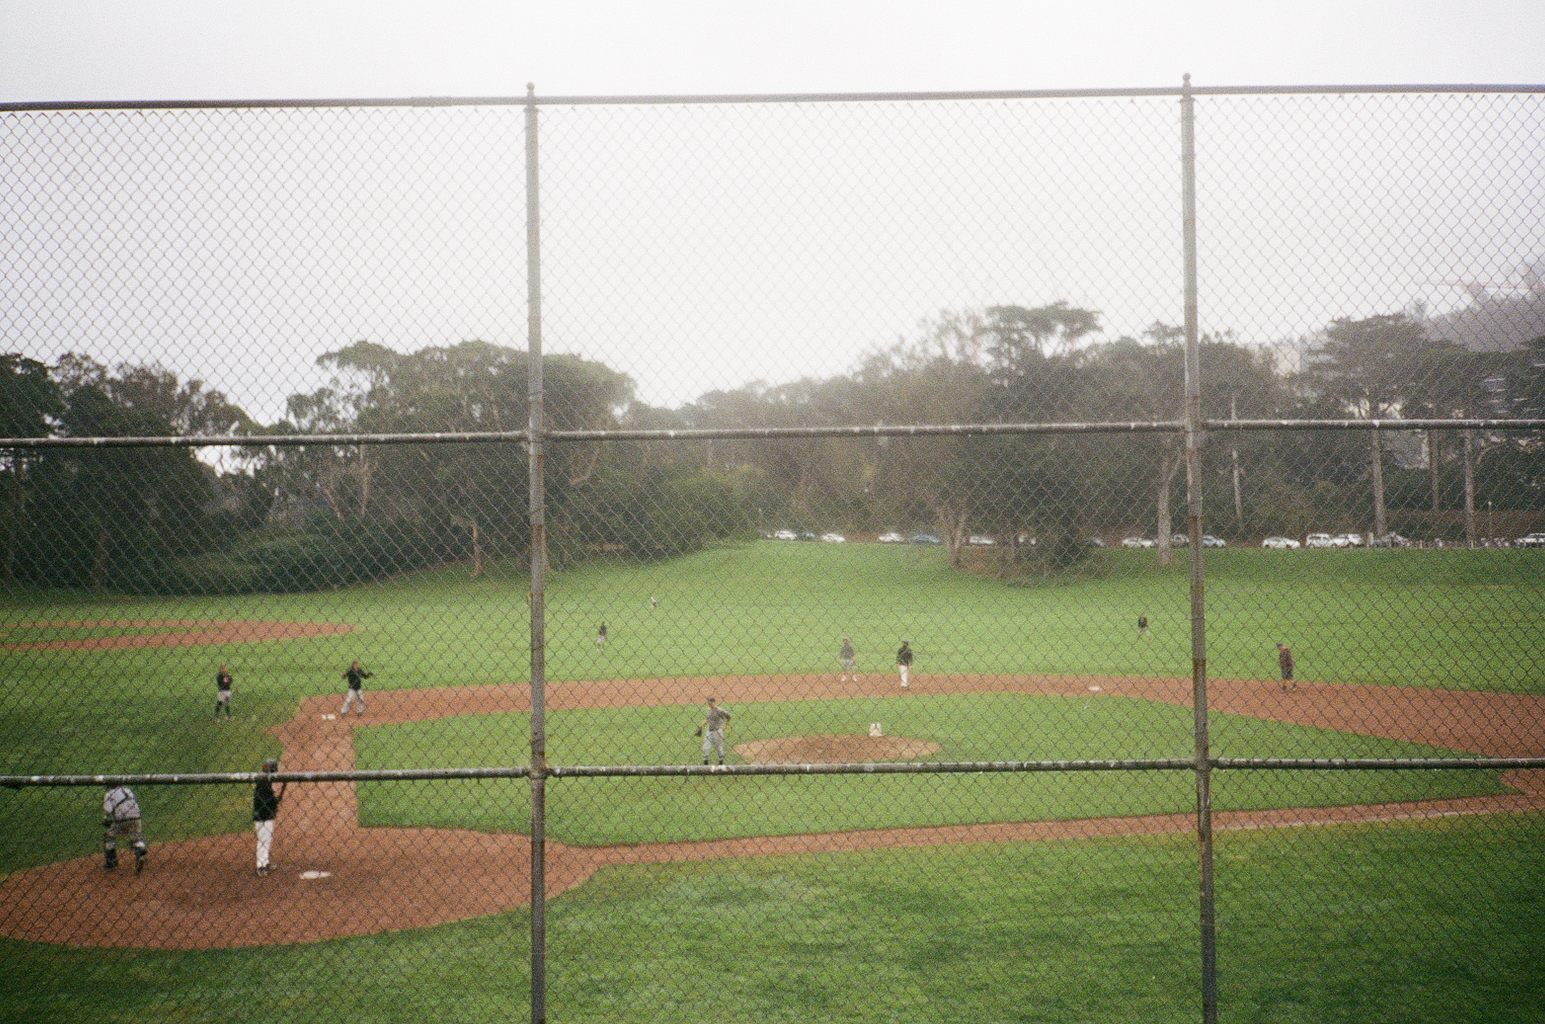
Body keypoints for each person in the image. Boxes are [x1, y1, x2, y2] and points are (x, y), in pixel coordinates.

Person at [102, 784, 148, 874]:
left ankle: (111, 862)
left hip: (122, 818)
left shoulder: (109, 794)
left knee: (109, 836)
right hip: (136, 817)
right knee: (136, 837)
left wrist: (106, 819)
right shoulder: (127, 790)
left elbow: (107, 811)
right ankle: (140, 852)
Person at [252, 757, 285, 877]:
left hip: (264, 815)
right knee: (263, 840)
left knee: (267, 839)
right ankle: (260, 866)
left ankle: (265, 862)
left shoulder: (264, 781)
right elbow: (265, 800)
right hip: (263, 816)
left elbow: (266, 799)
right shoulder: (264, 782)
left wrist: (274, 801)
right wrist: (275, 801)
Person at [696, 697, 732, 765]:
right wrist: (701, 726)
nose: (710, 704)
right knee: (705, 748)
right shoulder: (708, 710)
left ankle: (721, 762)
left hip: (717, 731)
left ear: (715, 702)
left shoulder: (720, 710)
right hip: (709, 731)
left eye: (711, 703)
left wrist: (725, 726)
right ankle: (705, 766)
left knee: (718, 748)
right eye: (709, 703)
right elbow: (707, 719)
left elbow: (729, 717)